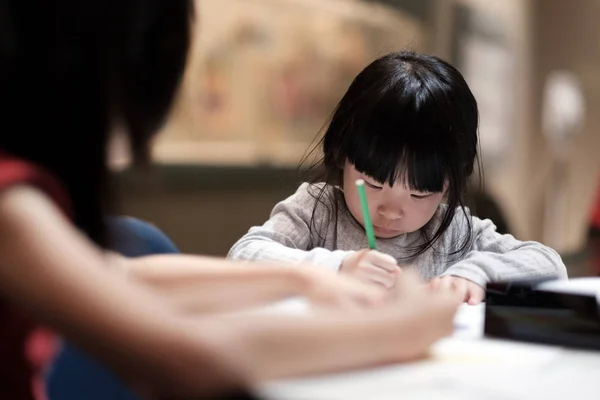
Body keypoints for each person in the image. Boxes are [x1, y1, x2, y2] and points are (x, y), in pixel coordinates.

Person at [0, 2, 460, 399]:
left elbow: (120, 275)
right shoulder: (12, 211)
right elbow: (188, 359)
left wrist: (302, 282)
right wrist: (398, 330)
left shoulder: (25, 204)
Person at [229, 51, 568, 305]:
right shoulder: (317, 211)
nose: (391, 211)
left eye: (420, 195)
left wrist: (476, 273)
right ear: (342, 154)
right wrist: (337, 266)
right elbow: (243, 256)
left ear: (450, 182)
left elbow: (550, 265)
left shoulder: (451, 231)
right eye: (374, 185)